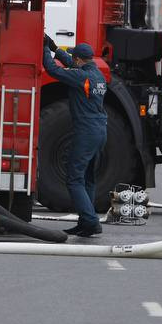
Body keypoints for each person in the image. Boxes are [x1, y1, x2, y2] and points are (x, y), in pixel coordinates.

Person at [42, 36, 108, 237]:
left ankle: (90, 221)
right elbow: (72, 64)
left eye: (74, 59)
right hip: (100, 131)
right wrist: (55, 48)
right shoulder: (97, 75)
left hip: (86, 132)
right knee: (88, 179)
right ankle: (85, 221)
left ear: (80, 60)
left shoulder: (81, 77)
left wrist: (44, 49)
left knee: (74, 179)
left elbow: (53, 70)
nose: (73, 61)